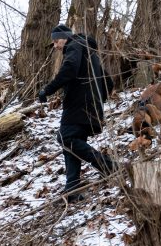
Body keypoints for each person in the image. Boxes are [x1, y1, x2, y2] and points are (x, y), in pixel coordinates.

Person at [37, 24, 117, 203]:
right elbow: (108, 82)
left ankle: (108, 165)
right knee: (71, 145)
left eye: (57, 41)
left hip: (78, 106)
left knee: (65, 138)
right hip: (89, 108)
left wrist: (47, 90)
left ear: (65, 37)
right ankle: (72, 189)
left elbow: (70, 68)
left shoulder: (74, 45)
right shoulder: (89, 51)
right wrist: (97, 101)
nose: (56, 46)